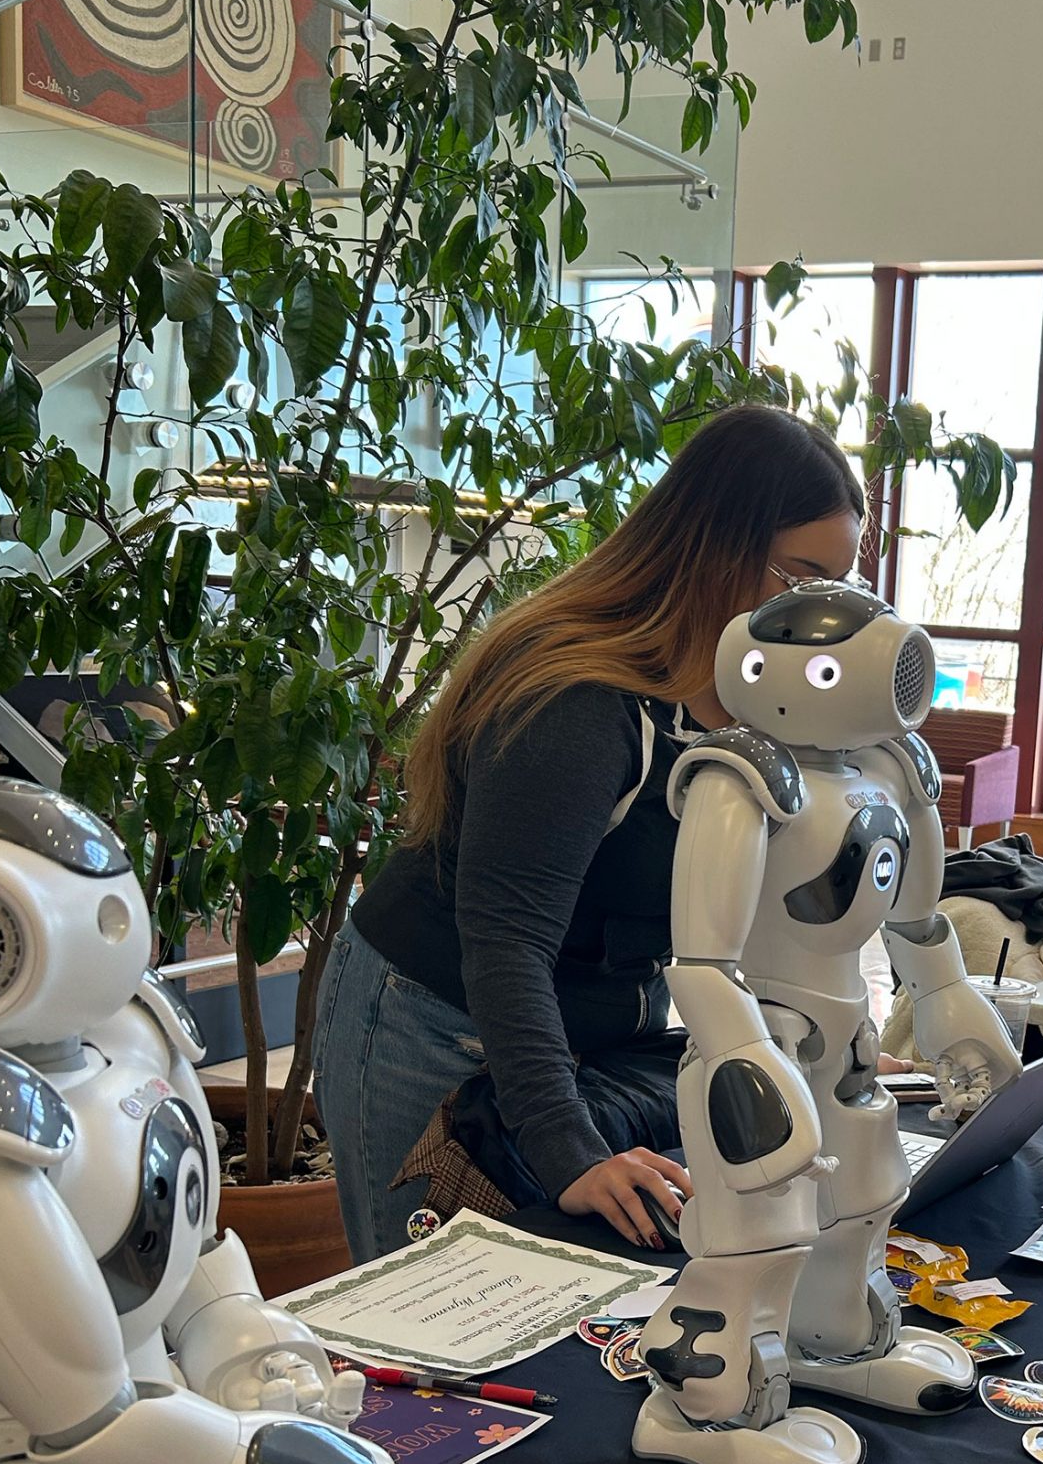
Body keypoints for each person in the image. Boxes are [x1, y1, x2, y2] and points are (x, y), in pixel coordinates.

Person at [314, 405, 867, 1259]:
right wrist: (567, 1150)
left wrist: (831, 1056)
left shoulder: (749, 702)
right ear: (712, 548)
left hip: (591, 1019)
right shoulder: (576, 701)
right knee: (428, 1319)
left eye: (837, 590)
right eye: (797, 580)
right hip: (440, 1013)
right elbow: (504, 942)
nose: (814, 615)